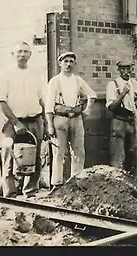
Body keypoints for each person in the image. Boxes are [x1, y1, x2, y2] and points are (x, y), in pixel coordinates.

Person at [0, 42, 48, 198]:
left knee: (35, 156)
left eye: (26, 52)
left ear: (30, 55)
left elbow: (41, 99)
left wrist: (44, 122)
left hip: (35, 119)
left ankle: (31, 192)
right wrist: (16, 123)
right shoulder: (6, 75)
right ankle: (10, 194)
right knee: (10, 157)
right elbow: (1, 102)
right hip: (12, 122)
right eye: (19, 52)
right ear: (13, 54)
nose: (22, 55)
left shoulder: (36, 74)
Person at [45, 51, 97, 189]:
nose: (68, 64)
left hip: (76, 118)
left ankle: (77, 181)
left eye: (71, 61)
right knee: (59, 152)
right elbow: (49, 104)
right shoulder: (55, 81)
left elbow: (92, 94)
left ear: (74, 63)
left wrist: (88, 110)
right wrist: (50, 124)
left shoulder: (77, 80)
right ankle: (57, 184)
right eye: (65, 61)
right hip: (60, 119)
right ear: (60, 63)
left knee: (79, 151)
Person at [106, 61, 137, 173]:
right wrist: (123, 93)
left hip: (131, 121)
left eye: (128, 69)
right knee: (118, 154)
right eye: (123, 69)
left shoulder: (133, 83)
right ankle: (118, 181)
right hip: (119, 122)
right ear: (119, 70)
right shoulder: (113, 84)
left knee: (133, 153)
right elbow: (111, 107)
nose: (126, 72)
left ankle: (133, 181)